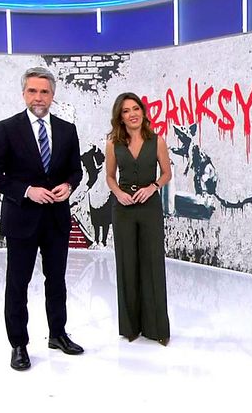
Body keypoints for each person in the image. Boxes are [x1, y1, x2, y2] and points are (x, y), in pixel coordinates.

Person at [0, 67, 84, 371]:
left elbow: (75, 170)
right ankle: (19, 345)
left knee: (57, 280)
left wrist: (69, 186)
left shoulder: (67, 130)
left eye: (44, 92)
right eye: (33, 91)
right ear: (24, 93)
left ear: (53, 95)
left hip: (56, 219)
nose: (39, 97)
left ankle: (58, 335)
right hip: (21, 220)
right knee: (18, 284)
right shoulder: (6, 128)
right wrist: (27, 191)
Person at [105, 92, 172, 346]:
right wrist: (119, 194)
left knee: (152, 263)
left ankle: (157, 329)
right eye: (126, 111)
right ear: (120, 117)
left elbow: (166, 174)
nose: (132, 114)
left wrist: (153, 187)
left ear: (143, 112)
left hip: (149, 207)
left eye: (135, 108)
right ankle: (130, 328)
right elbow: (110, 176)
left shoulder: (157, 141)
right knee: (127, 264)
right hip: (123, 208)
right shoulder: (113, 143)